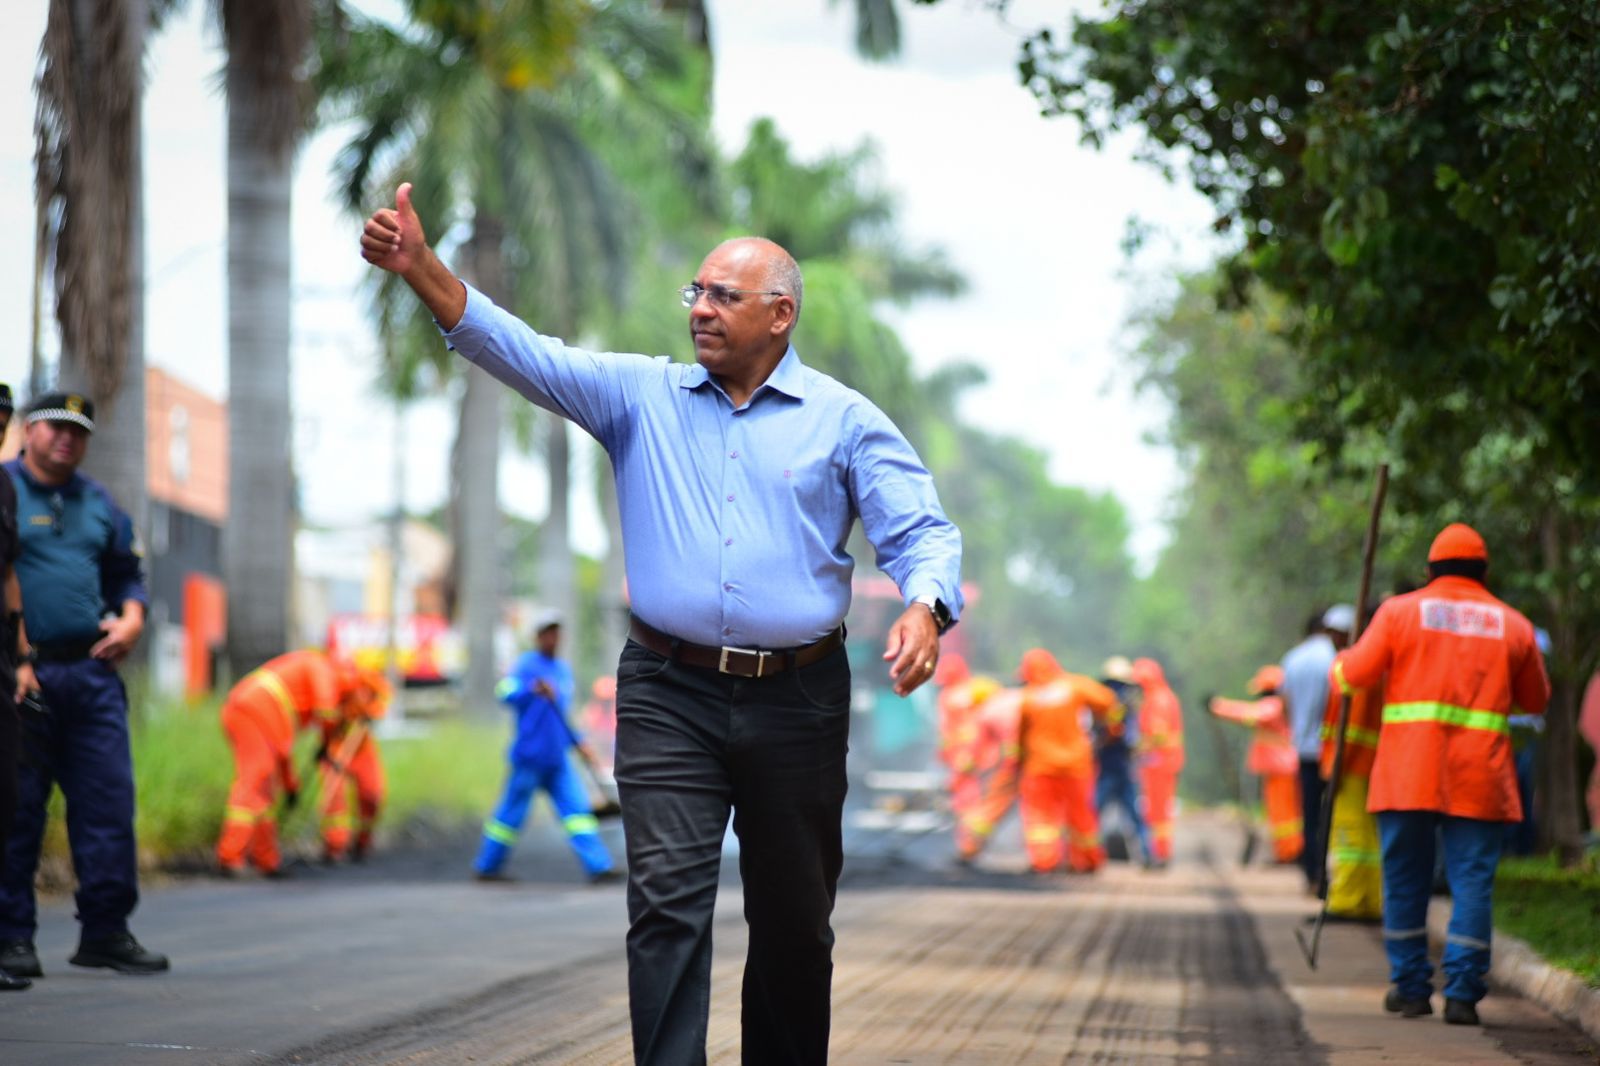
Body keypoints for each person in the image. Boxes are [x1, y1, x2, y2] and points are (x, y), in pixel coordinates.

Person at [362, 184, 962, 1065]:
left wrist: (924, 605)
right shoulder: (639, 396)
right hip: (667, 692)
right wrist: (420, 267)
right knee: (668, 908)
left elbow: (919, 532)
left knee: (796, 925)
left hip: (800, 699)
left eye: (725, 295)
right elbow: (520, 350)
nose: (702, 310)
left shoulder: (844, 422)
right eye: (697, 292)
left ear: (780, 314)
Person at [1332, 523, 1549, 1026]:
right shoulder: (1513, 624)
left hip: (1409, 772)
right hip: (1480, 774)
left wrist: (1342, 662)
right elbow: (1536, 699)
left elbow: (1353, 678)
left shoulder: (1399, 612)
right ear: (1484, 571)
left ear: (1431, 571)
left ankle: (1410, 989)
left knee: (1405, 878)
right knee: (1472, 881)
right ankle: (1463, 994)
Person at [0, 392, 168, 977]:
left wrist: (133, 617)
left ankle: (105, 931)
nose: (66, 439)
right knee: (18, 811)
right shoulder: (4, 488)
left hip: (92, 677)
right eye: (54, 428)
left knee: (107, 806)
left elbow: (129, 574)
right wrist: (14, 658)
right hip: (24, 675)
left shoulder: (98, 502)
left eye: (78, 431)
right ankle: (11, 940)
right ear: (28, 429)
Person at [473, 615, 617, 884]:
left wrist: (578, 742)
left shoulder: (562, 670)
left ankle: (599, 866)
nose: (553, 639)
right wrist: (531, 688)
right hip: (529, 756)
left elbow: (562, 713)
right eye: (548, 633)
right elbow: (505, 692)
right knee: (509, 815)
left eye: (557, 633)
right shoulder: (526, 665)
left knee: (578, 814)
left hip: (557, 757)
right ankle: (487, 866)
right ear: (538, 637)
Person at [216, 648, 371, 877]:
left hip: (261, 716)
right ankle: (230, 856)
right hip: (252, 711)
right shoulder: (321, 667)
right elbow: (326, 712)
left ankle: (266, 860)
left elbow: (283, 754)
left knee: (264, 790)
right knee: (254, 781)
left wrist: (291, 787)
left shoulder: (290, 708)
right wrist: (328, 741)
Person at [0, 385, 40, 991]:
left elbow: (7, 573)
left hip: (2, 664)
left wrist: (24, 654)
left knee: (7, 793)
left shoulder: (3, 487)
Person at [1016, 649, 1114, 874]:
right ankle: (1087, 859)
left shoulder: (1029, 698)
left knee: (1041, 818)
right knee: (1081, 814)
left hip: (1040, 767)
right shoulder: (1075, 686)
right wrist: (1111, 729)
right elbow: (1108, 701)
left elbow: (1021, 738)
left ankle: (1044, 860)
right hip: (1076, 765)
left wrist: (1020, 761)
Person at [1209, 665, 1303, 864]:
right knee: (1279, 811)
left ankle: (1290, 851)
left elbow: (1248, 714)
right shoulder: (1279, 704)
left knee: (1284, 812)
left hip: (1281, 767)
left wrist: (1218, 706)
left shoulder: (1274, 705)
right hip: (1277, 768)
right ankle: (1285, 851)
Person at [1280, 606, 1343, 892]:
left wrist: (1298, 728)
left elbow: (1285, 704)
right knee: (1333, 812)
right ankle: (1330, 872)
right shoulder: (1336, 658)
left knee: (1310, 813)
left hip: (1304, 748)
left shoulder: (1292, 659)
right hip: (1333, 750)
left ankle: (1311, 871)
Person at [932, 653, 1002, 862]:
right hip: (982, 756)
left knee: (967, 805)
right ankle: (971, 846)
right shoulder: (978, 690)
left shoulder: (951, 696)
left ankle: (969, 847)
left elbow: (950, 733)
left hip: (964, 758)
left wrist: (949, 757)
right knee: (977, 802)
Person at [318, 666, 391, 864]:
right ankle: (335, 847)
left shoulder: (362, 680)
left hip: (362, 749)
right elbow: (323, 723)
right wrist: (330, 754)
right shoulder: (324, 692)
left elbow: (384, 692)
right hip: (335, 748)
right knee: (335, 799)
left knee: (372, 795)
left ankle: (363, 842)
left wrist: (375, 709)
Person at [1092, 656, 1155, 867]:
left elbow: (1110, 734)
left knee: (1092, 812)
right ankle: (1148, 854)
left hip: (1111, 766)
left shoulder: (1108, 703)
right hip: (1122, 766)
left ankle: (1083, 856)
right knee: (1135, 815)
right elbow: (1132, 738)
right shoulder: (1128, 703)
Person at [1132, 657, 1183, 865]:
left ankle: (1160, 853)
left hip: (1160, 761)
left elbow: (1157, 734)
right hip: (1162, 761)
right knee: (1157, 809)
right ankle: (1159, 851)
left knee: (1158, 810)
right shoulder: (1162, 696)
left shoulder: (1158, 699)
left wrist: (1137, 748)